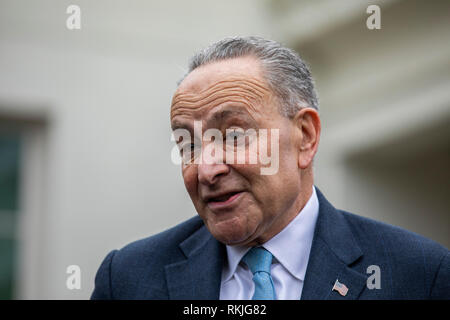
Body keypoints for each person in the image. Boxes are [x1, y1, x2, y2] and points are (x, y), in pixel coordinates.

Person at [91, 36, 449, 300]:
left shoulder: (420, 276)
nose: (206, 169)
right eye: (189, 144)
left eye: (233, 135)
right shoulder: (127, 280)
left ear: (305, 137)